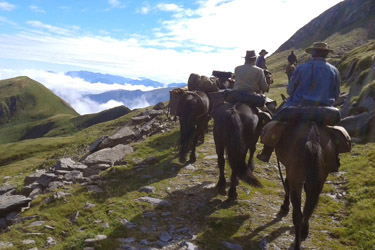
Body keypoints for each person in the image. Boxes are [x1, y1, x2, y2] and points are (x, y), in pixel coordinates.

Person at [257, 42, 341, 162]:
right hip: (324, 111)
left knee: (276, 120)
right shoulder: (334, 71)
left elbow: (290, 90)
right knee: (334, 130)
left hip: (297, 108)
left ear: (312, 53)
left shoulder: (301, 68)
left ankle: (266, 151)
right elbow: (336, 94)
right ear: (326, 54)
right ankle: (335, 158)